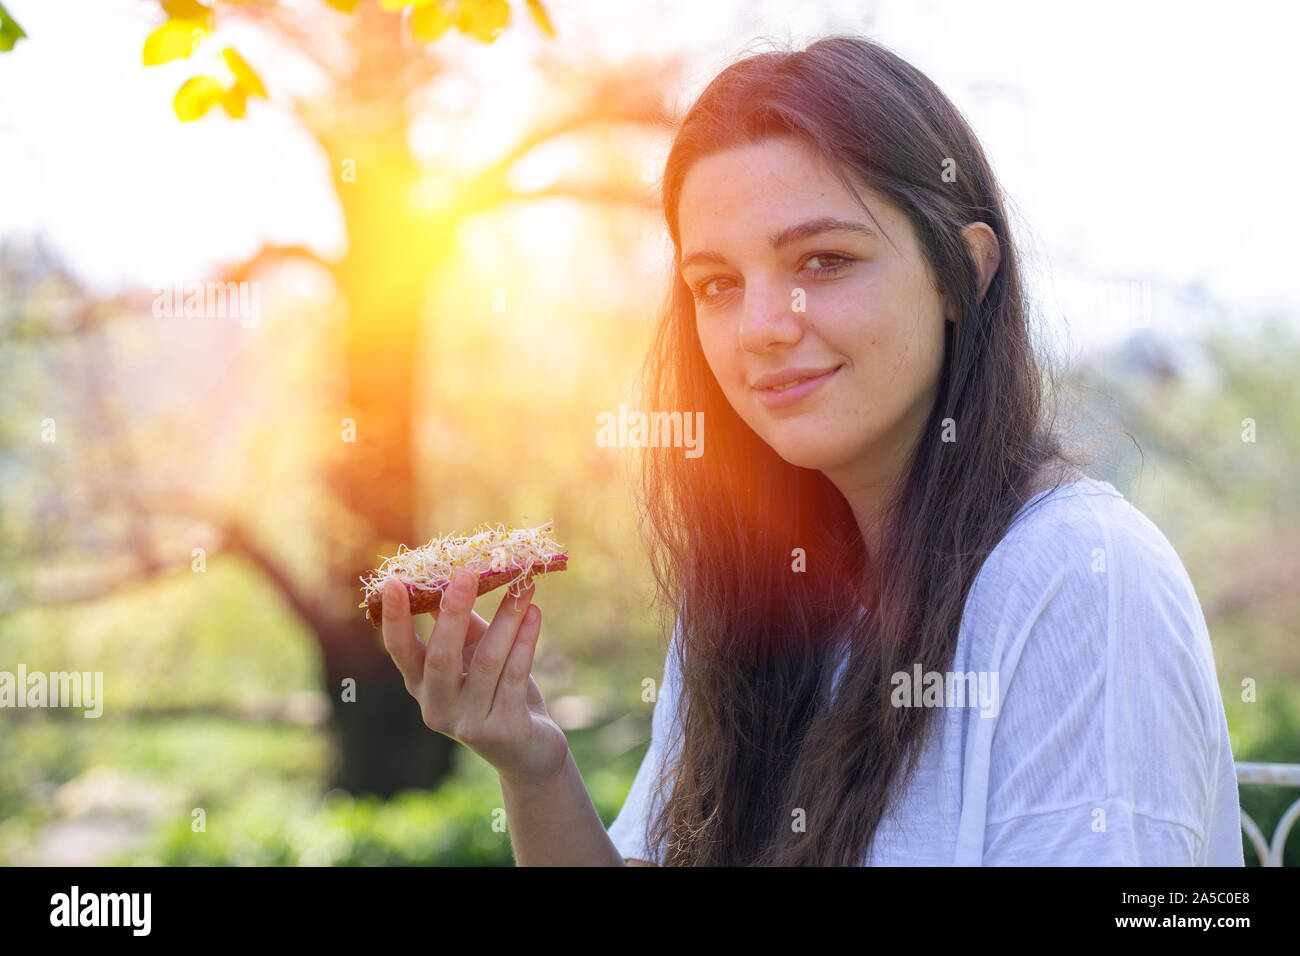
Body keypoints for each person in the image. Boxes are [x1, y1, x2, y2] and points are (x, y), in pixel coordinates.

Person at [378, 33, 1243, 866]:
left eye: (824, 261)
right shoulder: (749, 593)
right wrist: (533, 765)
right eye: (717, 284)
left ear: (964, 274)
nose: (760, 327)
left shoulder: (1079, 576)